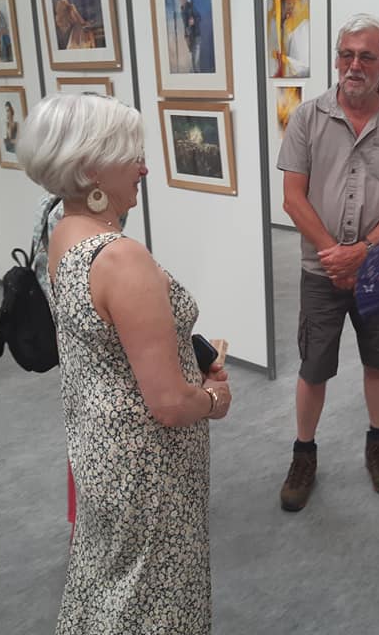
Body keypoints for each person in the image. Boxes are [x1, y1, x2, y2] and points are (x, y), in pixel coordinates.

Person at [16, 92, 232, 634]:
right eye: (131, 155)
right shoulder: (119, 258)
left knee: (110, 580)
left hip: (98, 446)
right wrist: (213, 398)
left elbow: (107, 343)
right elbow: (170, 404)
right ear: (91, 167)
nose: (143, 168)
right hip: (147, 463)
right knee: (156, 596)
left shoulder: (62, 233)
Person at [276, 13, 379, 512]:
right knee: (314, 366)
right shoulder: (307, 118)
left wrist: (361, 251)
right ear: (337, 58)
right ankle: (303, 454)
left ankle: (377, 445)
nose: (354, 65)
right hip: (321, 269)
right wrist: (334, 254)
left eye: (366, 56)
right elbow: (292, 198)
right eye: (346, 54)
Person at [177, 0, 202, 72]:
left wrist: (194, 20)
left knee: (196, 62)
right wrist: (186, 36)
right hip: (189, 37)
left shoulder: (190, 6)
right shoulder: (182, 9)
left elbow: (199, 17)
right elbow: (185, 25)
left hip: (196, 36)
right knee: (192, 61)